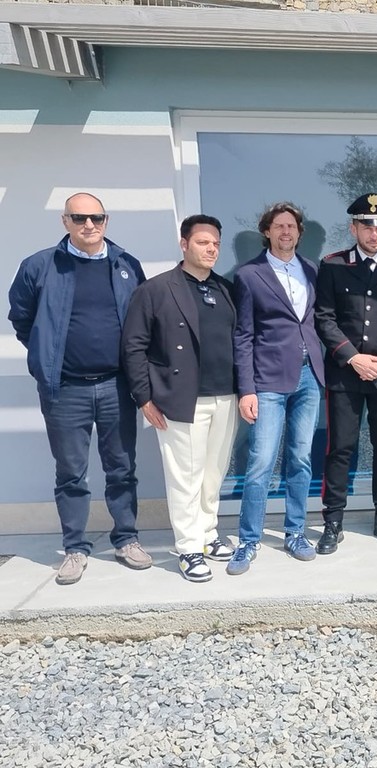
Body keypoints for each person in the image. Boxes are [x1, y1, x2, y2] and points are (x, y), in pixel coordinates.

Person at [8, 193, 150, 585]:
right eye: (80, 217)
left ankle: (126, 539)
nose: (89, 225)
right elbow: (22, 318)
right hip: (65, 389)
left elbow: (140, 321)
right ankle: (74, 547)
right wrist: (46, 354)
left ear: (106, 220)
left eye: (96, 217)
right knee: (71, 473)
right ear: (65, 221)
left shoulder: (126, 264)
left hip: (116, 386)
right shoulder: (40, 266)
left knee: (122, 468)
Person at [122, 215, 238, 582]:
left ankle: (207, 534)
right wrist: (144, 397)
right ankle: (188, 547)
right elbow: (133, 347)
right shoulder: (155, 290)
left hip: (225, 396)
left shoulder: (225, 288)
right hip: (180, 399)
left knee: (213, 475)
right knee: (185, 477)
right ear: (184, 244)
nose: (211, 249)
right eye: (203, 242)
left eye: (216, 243)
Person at [226, 203, 325, 575]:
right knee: (261, 462)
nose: (286, 232)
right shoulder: (249, 275)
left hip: (309, 377)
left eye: (292, 226)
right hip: (267, 380)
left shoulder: (312, 270)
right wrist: (246, 389)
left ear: (299, 232)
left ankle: (295, 532)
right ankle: (248, 541)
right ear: (266, 231)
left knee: (300, 459)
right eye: (279, 226)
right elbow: (243, 335)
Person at [314, 193, 377, 552]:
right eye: (367, 226)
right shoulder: (333, 265)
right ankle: (333, 520)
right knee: (341, 447)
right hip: (345, 373)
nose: (374, 233)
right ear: (354, 228)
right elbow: (324, 318)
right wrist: (353, 358)